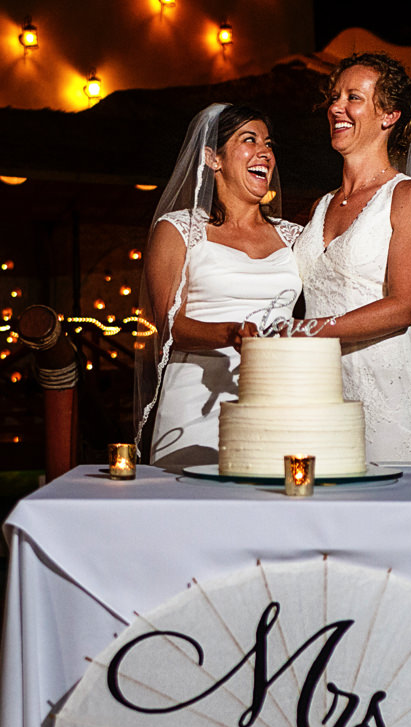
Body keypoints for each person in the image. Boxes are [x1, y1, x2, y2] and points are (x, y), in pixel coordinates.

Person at [290, 52, 411, 464]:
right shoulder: (319, 207)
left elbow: (404, 306)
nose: (336, 107)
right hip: (316, 383)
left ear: (388, 114)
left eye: (353, 97)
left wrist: (307, 331)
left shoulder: (407, 197)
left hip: (384, 379)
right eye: (335, 97)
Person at [136, 104, 303, 469]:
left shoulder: (294, 237)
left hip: (278, 397)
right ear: (213, 158)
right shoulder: (179, 230)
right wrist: (230, 333)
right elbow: (169, 326)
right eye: (249, 139)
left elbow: (334, 302)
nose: (265, 152)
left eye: (269, 143)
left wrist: (403, 331)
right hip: (197, 399)